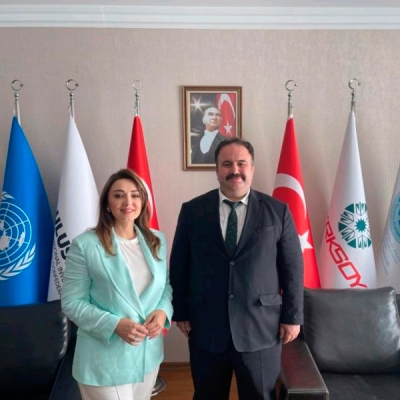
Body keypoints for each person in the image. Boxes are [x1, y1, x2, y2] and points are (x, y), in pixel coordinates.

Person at [170, 137, 304, 400]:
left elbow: (292, 269)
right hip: (206, 326)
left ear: (252, 169)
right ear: (216, 169)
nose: (235, 170)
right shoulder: (192, 211)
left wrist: (293, 316)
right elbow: (179, 265)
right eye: (227, 164)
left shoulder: (278, 211)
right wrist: (180, 312)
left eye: (242, 163)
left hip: (261, 328)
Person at [61, 168, 173, 400]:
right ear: (107, 204)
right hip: (103, 360)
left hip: (147, 356)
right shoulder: (85, 245)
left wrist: (163, 311)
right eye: (119, 195)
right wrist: (114, 324)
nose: (128, 202)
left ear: (143, 201)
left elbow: (165, 286)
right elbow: (72, 302)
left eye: (135, 195)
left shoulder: (157, 240)